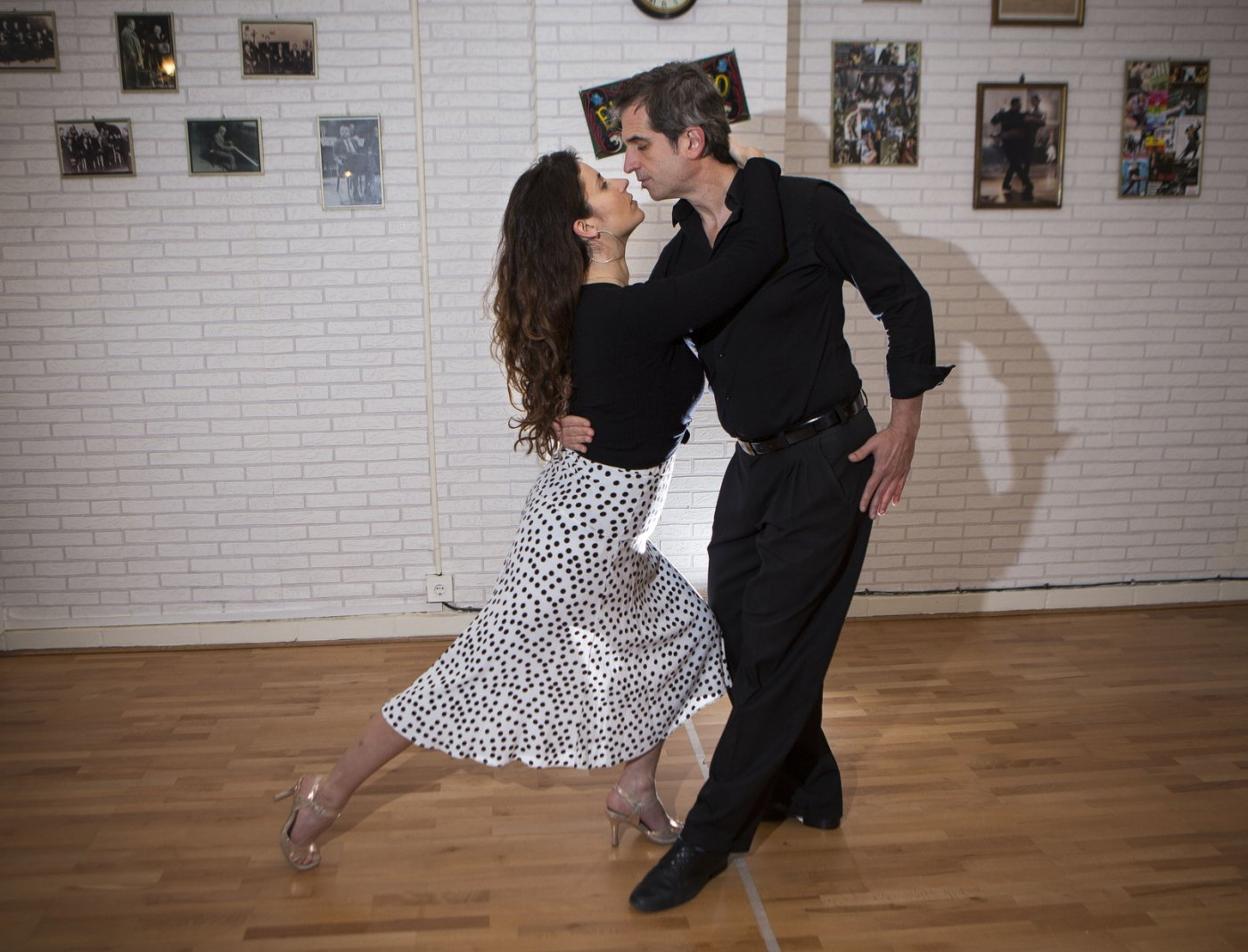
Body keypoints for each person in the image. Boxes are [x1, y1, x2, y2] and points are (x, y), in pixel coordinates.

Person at [273, 144, 788, 871]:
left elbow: (620, 367)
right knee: (469, 676)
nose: (622, 181)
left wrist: (559, 411)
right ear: (586, 228)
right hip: (574, 540)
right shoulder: (619, 312)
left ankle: (634, 788)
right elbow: (751, 256)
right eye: (602, 184)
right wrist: (757, 171)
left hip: (619, 532)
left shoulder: (610, 308)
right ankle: (323, 794)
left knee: (685, 637)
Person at [556, 61, 950, 913]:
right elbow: (642, 350)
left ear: (691, 140)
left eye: (638, 144)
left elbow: (903, 299)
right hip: (752, 465)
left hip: (829, 458)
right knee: (737, 638)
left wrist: (906, 423)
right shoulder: (684, 250)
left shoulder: (806, 209)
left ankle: (709, 836)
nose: (628, 165)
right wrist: (569, 410)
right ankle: (810, 786)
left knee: (772, 654)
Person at [990, 95, 1042, 201]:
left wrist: (1033, 117)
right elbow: (993, 121)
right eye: (1019, 104)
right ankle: (1027, 183)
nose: (1021, 106)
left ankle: (1006, 184)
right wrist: (999, 114)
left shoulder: (1018, 115)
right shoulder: (1012, 115)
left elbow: (1039, 121)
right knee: (1015, 164)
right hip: (1012, 143)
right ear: (1014, 104)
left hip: (1015, 143)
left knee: (1014, 164)